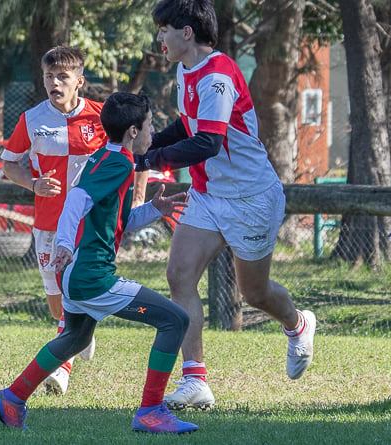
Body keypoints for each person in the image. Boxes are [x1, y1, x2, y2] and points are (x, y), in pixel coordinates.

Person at [142, 0, 316, 410]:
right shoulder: (185, 71)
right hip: (209, 195)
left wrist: (150, 161)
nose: (159, 37)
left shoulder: (217, 74)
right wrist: (152, 143)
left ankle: (298, 323)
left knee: (253, 292)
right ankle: (195, 380)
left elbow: (208, 141)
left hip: (250, 198)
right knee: (179, 275)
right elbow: (188, 125)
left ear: (187, 32)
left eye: (165, 28)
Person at [0, 92, 196, 434]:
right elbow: (77, 200)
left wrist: (155, 211)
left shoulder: (108, 157)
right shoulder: (118, 163)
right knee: (175, 320)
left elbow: (119, 221)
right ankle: (150, 411)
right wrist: (65, 244)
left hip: (77, 274)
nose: (152, 134)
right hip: (92, 277)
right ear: (132, 132)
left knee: (75, 338)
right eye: (149, 127)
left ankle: (12, 398)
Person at [0, 46, 107, 394]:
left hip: (89, 222)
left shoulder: (102, 117)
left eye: (63, 76)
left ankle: (61, 368)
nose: (54, 82)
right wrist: (33, 183)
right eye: (49, 76)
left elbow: (130, 154)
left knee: (75, 289)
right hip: (48, 222)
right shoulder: (32, 119)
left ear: (80, 81)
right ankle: (80, 332)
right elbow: (9, 164)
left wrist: (134, 198)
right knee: (56, 303)